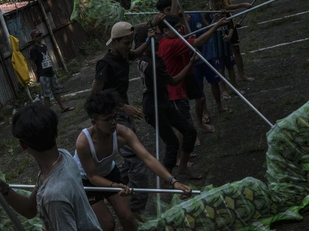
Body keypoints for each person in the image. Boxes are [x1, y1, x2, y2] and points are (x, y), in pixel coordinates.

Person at [74, 91, 191, 231]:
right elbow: (93, 176)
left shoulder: (122, 133)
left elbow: (147, 158)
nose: (113, 122)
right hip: (85, 180)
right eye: (108, 119)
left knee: (128, 218)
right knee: (107, 224)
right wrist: (115, 187)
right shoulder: (83, 142)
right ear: (94, 122)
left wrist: (173, 181)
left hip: (109, 172)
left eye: (115, 117)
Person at [91, 21, 151, 214]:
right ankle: (136, 208)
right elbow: (96, 96)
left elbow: (137, 52)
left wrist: (149, 39)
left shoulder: (124, 55)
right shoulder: (105, 64)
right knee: (137, 160)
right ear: (114, 42)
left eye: (131, 42)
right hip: (112, 117)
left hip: (123, 114)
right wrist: (124, 107)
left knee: (129, 158)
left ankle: (111, 190)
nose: (129, 46)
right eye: (126, 42)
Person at [157, 14, 226, 165]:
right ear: (165, 31)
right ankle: (178, 158)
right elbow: (199, 41)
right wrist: (215, 27)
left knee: (196, 105)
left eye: (179, 28)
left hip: (181, 81)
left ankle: (184, 149)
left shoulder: (167, 40)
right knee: (183, 125)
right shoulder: (172, 44)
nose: (179, 30)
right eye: (175, 29)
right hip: (175, 89)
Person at [135, 27, 203, 179]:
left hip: (163, 102)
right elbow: (173, 81)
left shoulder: (143, 57)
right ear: (147, 44)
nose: (160, 44)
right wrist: (190, 64)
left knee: (190, 131)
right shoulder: (153, 63)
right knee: (172, 143)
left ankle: (183, 168)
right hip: (154, 107)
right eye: (157, 41)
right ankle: (167, 178)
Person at [208, 0, 254, 82]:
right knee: (223, 54)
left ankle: (242, 75)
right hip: (221, 25)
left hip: (229, 23)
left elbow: (227, 9)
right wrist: (242, 5)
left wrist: (234, 23)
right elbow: (225, 8)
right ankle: (227, 83)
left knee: (236, 49)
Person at [29, 29, 74, 112]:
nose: (39, 37)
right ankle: (48, 112)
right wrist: (37, 74)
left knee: (56, 91)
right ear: (33, 38)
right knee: (46, 94)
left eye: (40, 35)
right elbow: (33, 63)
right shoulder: (34, 50)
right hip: (43, 74)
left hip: (51, 73)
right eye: (37, 36)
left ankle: (63, 107)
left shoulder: (44, 46)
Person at [208, 0, 242, 101]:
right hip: (216, 48)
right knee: (221, 70)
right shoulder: (207, 15)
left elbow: (231, 26)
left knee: (231, 67)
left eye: (215, 1)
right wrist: (214, 20)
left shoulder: (225, 13)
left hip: (226, 46)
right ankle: (224, 91)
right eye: (211, 1)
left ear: (220, 2)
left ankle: (235, 87)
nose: (213, 3)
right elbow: (207, 30)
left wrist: (230, 35)